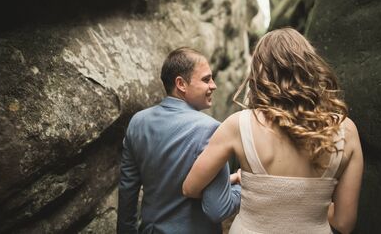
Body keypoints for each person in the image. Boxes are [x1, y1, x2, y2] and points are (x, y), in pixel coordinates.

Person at [183, 28, 364, 234]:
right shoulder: (346, 129)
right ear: (310, 68)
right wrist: (310, 206)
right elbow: (344, 222)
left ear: (259, 72)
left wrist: (241, 185)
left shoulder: (238, 124)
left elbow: (191, 188)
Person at [118, 47, 241, 234]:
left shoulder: (137, 122)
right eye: (206, 79)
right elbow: (218, 209)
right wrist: (245, 187)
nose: (214, 85)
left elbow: (128, 192)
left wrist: (232, 179)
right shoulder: (212, 129)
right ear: (181, 84)